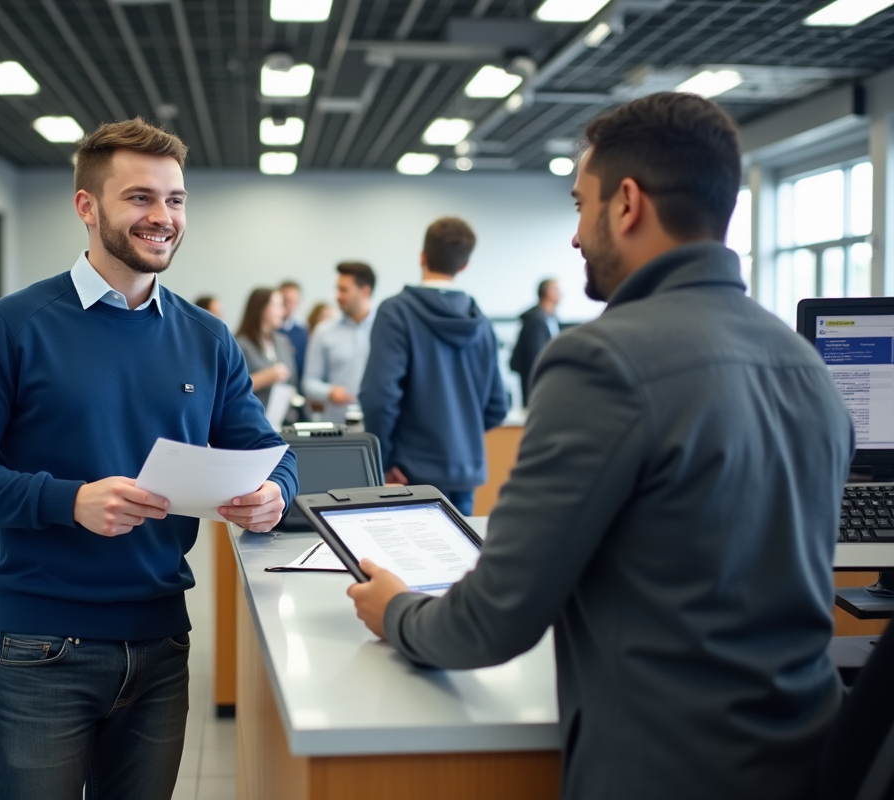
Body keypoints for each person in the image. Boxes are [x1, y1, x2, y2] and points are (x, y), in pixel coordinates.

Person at [346, 93, 852, 800]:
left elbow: (491, 621)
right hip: (813, 759)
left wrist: (396, 609)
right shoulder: (806, 365)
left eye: (581, 205)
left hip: (663, 771)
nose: (576, 237)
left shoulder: (602, 361)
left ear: (628, 204)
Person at [0, 118, 297, 800]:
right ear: (86, 207)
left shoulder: (207, 338)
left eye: (175, 200)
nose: (163, 217)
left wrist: (275, 495)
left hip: (161, 643)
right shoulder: (10, 326)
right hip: (41, 648)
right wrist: (68, 500)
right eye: (140, 198)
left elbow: (270, 454)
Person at [358, 218, 507, 515]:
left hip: (407, 474)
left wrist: (383, 461)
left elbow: (379, 397)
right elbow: (497, 406)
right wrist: (460, 435)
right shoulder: (481, 322)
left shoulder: (396, 312)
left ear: (422, 257)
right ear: (464, 266)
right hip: (464, 473)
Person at [302, 262, 376, 425]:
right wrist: (329, 392)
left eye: (344, 290)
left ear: (365, 291)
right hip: (337, 427)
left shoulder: (385, 329)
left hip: (376, 424)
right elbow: (309, 382)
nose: (337, 296)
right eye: (337, 289)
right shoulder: (323, 331)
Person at [235, 287, 300, 425]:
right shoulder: (240, 344)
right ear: (261, 309)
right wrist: (266, 377)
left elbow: (293, 382)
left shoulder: (282, 342)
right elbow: (232, 388)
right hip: (250, 422)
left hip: (282, 422)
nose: (283, 311)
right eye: (278, 305)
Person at [509, 278, 561, 405]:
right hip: (537, 384)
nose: (561, 294)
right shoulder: (536, 320)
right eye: (557, 290)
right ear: (549, 292)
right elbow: (535, 356)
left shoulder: (550, 318)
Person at [278, 280, 309, 377]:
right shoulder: (268, 331)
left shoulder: (303, 332)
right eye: (286, 300)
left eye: (294, 301)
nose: (290, 305)